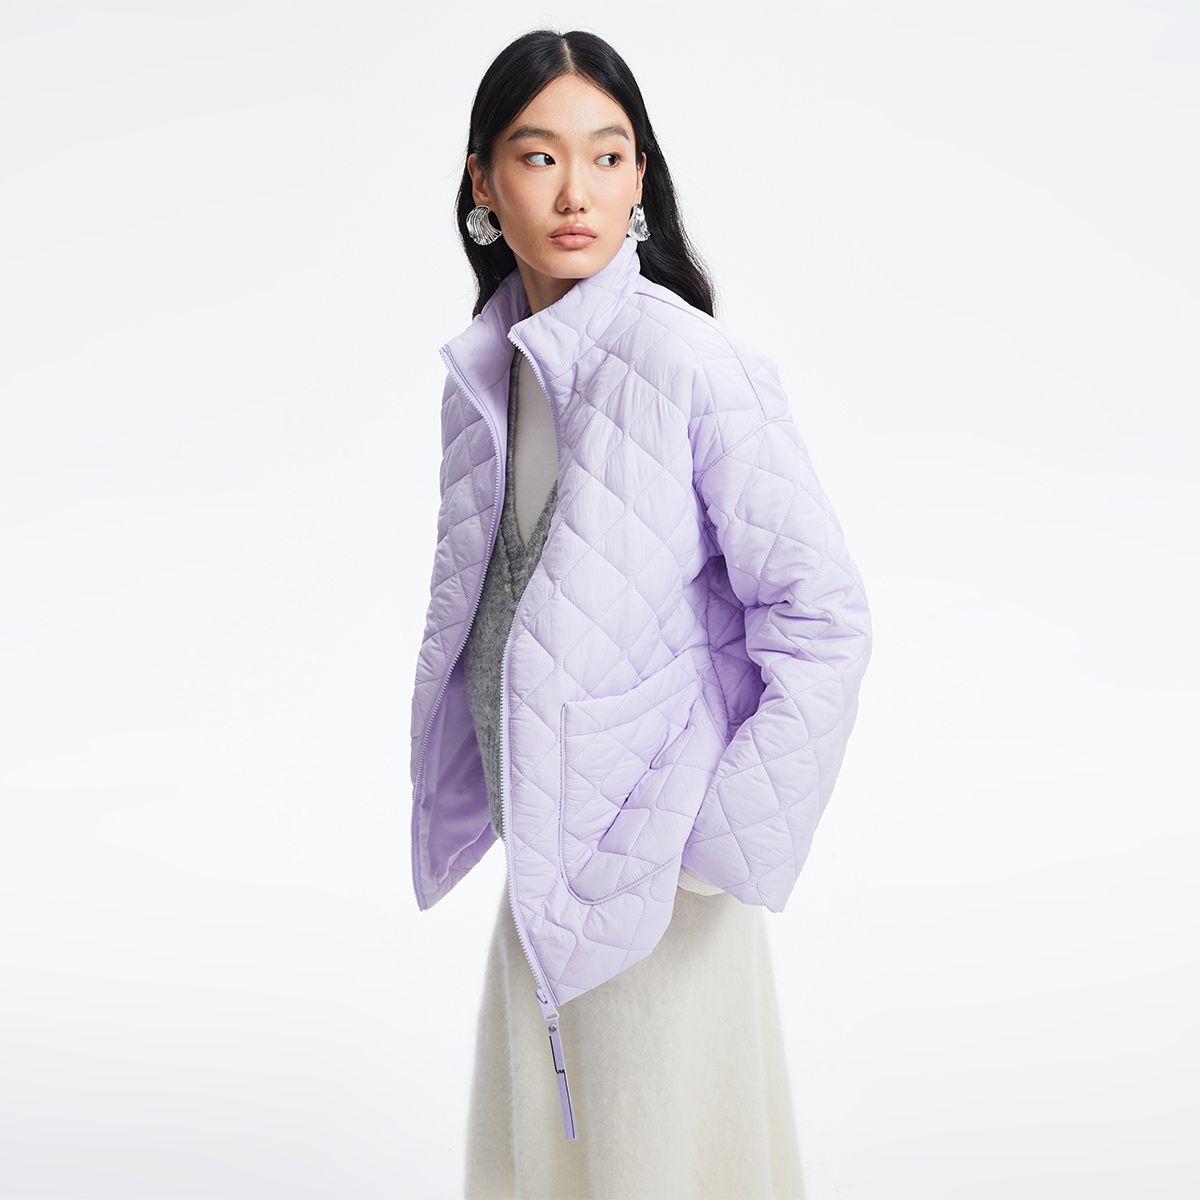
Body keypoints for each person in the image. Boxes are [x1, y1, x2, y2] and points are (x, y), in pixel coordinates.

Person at [410, 28, 872, 1200]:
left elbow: (822, 615)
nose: (576, 191)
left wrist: (712, 857)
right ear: (483, 183)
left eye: (608, 156)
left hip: (665, 898)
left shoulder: (689, 362)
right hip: (543, 878)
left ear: (641, 180)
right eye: (539, 156)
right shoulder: (486, 378)